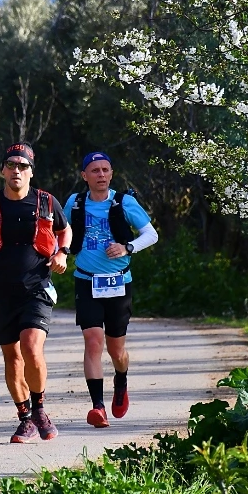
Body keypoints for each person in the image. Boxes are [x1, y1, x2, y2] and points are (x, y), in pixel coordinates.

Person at [0, 142, 71, 444]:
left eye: (22, 166)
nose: (16, 170)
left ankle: (39, 408)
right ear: (2, 170)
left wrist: (62, 252)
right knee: (12, 358)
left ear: (30, 172)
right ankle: (24, 418)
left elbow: (65, 231)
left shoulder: (46, 202)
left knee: (31, 347)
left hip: (36, 288)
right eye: (11, 165)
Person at [63, 151, 158, 428]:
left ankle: (121, 379)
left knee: (117, 350)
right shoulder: (75, 203)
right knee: (93, 341)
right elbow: (62, 230)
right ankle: (97, 407)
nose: (101, 175)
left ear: (111, 174)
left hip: (118, 282)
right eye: (95, 170)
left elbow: (151, 235)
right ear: (84, 176)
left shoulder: (124, 202)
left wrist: (127, 247)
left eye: (105, 170)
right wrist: (62, 249)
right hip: (86, 279)